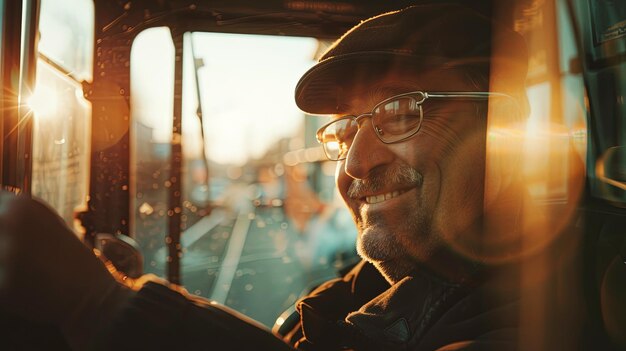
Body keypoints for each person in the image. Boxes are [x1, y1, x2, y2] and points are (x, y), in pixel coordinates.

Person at [0, 3, 582, 350]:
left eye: (401, 112)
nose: (356, 163)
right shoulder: (377, 292)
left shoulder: (541, 315)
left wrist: (102, 308)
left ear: (501, 128)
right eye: (348, 129)